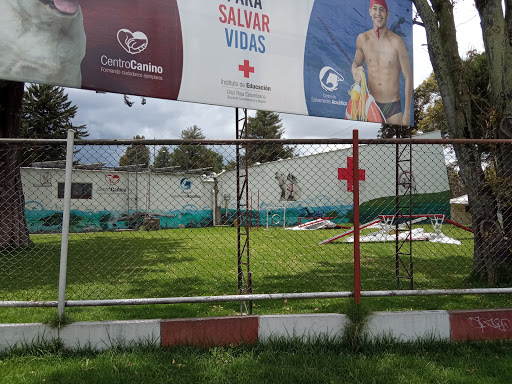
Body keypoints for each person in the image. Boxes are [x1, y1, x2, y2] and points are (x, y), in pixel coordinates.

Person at [351, 0, 412, 126]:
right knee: (368, 144)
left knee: (399, 143)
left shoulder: (397, 42)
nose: (378, 13)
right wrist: (354, 71)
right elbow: (356, 63)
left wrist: (407, 114)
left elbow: (408, 77)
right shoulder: (363, 39)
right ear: (370, 11)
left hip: (393, 106)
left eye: (381, 9)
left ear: (387, 14)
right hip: (370, 102)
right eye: (375, 9)